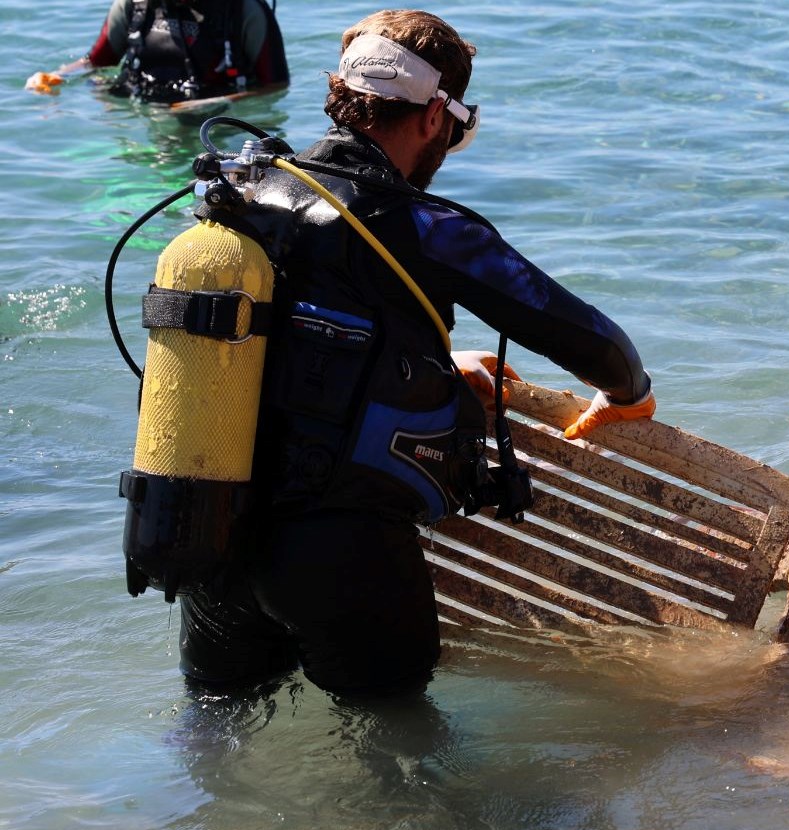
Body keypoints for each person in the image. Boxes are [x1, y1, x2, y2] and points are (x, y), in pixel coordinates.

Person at [178, 9, 656, 697]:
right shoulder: (426, 229)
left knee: (213, 738)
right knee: (400, 754)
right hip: (340, 553)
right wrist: (627, 394)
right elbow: (589, 339)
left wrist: (427, 362)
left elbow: (296, 339)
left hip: (211, 534)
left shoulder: (250, 191)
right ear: (435, 117)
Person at [25, 0, 289, 103]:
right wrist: (56, 75)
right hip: (142, 116)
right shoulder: (132, 6)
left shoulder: (245, 11)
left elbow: (276, 85)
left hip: (216, 122)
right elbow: (96, 62)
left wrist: (209, 104)